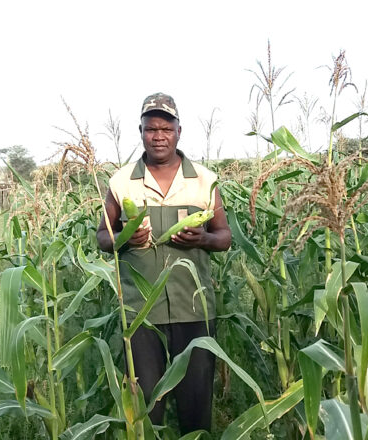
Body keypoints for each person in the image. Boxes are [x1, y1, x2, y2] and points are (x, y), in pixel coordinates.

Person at [96, 92, 231, 434]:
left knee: (196, 403)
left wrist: (202, 239)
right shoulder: (122, 181)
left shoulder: (204, 180)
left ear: (178, 131)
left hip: (194, 308)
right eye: (151, 128)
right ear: (140, 131)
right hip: (141, 314)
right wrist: (124, 238)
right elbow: (102, 238)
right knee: (146, 406)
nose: (158, 136)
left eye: (165, 129)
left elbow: (224, 237)